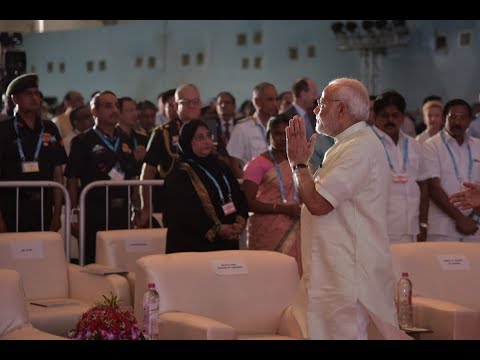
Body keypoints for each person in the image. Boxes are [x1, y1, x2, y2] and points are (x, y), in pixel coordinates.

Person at [286, 77, 407, 340]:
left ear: (341, 109)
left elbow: (318, 204)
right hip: (334, 272)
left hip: (347, 277)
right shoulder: (344, 146)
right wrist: (302, 165)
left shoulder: (359, 147)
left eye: (321, 103)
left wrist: (298, 165)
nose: (316, 110)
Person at [65, 90, 138, 264]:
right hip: (94, 211)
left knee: (122, 260)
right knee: (94, 261)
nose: (114, 110)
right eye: (107, 106)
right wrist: (73, 214)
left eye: (116, 106)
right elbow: (72, 179)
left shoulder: (125, 138)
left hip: (122, 211)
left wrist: (137, 206)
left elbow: (133, 176)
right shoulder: (82, 141)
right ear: (94, 111)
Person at [164, 119, 248, 253]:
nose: (207, 141)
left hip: (228, 239)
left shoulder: (220, 166)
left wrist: (238, 223)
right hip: (196, 244)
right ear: (187, 141)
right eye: (200, 138)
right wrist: (216, 229)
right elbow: (185, 211)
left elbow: (238, 195)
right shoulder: (180, 173)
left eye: (209, 136)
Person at [0, 73, 67, 232]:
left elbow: (58, 173)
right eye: (28, 94)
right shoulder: (4, 130)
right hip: (12, 205)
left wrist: (57, 213)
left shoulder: (49, 127)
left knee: (42, 252)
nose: (34, 97)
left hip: (43, 205)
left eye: (36, 93)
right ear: (15, 99)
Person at [243, 113, 302, 275]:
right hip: (266, 228)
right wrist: (284, 209)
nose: (282, 138)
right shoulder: (257, 164)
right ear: (268, 136)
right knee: (267, 275)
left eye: (286, 134)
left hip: (296, 224)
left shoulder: (299, 161)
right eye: (277, 134)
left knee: (294, 276)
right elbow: (248, 202)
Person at [371, 91, 430, 243]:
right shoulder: (366, 144)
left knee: (410, 267)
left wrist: (423, 223)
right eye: (385, 115)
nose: (390, 120)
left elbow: (423, 185)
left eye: (395, 115)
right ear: (374, 116)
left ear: (403, 117)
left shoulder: (414, 144)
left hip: (411, 228)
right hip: (378, 230)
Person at [423, 98, 480, 242]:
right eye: (453, 117)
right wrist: (460, 219)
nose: (457, 122)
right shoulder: (431, 146)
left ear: (469, 120)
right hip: (443, 230)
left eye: (462, 118)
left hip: (475, 228)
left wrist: (474, 217)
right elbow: (433, 187)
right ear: (444, 118)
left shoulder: (478, 146)